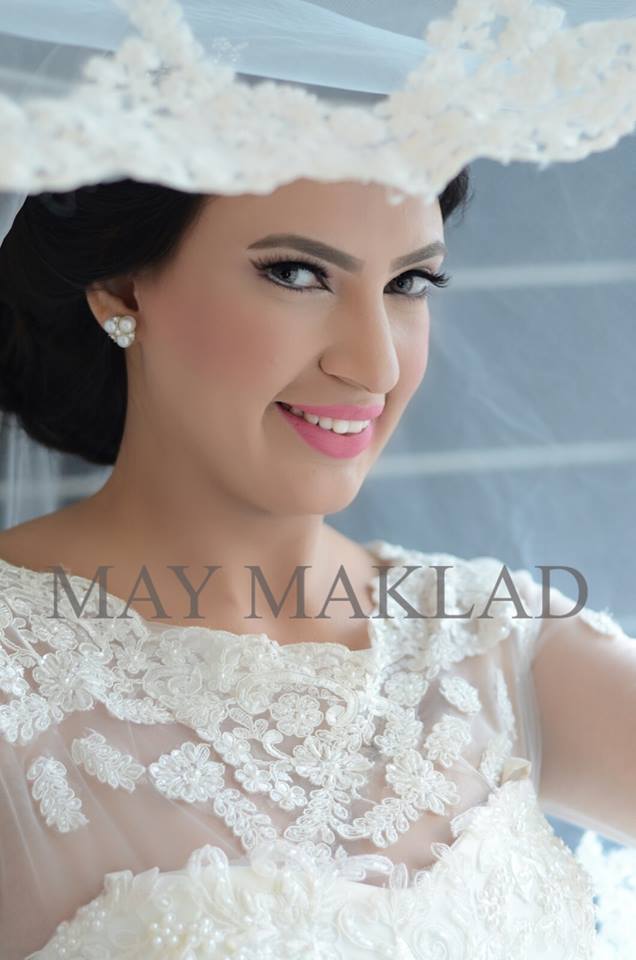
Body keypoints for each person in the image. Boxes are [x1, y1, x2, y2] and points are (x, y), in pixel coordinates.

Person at [0, 171, 635, 959]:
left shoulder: (498, 645)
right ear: (121, 287)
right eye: (297, 274)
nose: (376, 365)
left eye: (409, 283)